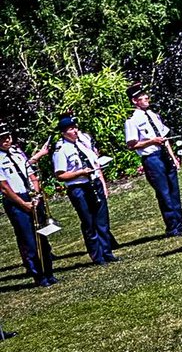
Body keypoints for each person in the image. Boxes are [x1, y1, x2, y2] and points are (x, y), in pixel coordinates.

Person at [124, 84, 182, 236]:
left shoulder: (153, 115)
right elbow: (132, 144)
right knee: (163, 192)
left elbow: (165, 138)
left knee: (174, 189)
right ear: (135, 101)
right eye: (142, 96)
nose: (147, 97)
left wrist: (173, 157)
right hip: (152, 158)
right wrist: (151, 141)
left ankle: (180, 223)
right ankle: (171, 226)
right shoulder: (132, 120)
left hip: (163, 154)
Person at [53, 115, 118, 265]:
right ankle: (97, 256)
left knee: (102, 220)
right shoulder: (61, 149)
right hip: (78, 187)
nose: (75, 131)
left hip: (93, 183)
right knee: (89, 222)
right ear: (63, 132)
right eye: (71, 129)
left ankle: (107, 252)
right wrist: (79, 173)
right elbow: (60, 174)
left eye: (75, 127)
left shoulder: (82, 143)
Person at [0, 123, 56, 287]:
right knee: (29, 241)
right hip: (16, 200)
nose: (6, 140)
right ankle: (39, 276)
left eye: (7, 136)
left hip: (32, 196)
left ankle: (49, 272)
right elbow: (4, 188)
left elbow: (32, 175)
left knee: (43, 237)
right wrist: (24, 204)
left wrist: (36, 195)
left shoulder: (18, 153)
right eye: (2, 138)